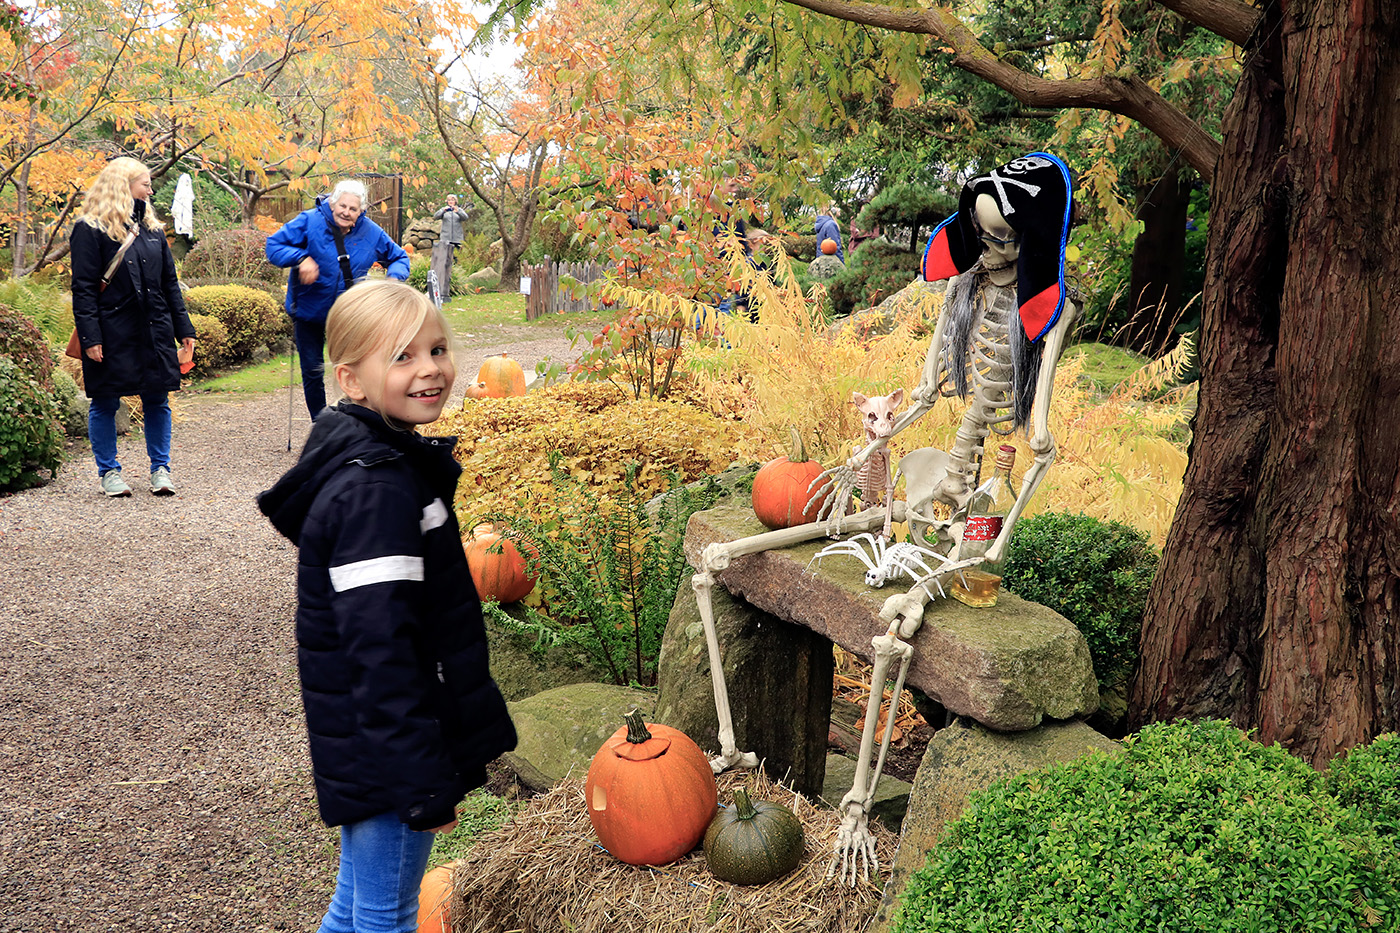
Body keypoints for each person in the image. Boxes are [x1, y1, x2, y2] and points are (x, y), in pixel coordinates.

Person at [257, 279, 517, 933]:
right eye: (402, 356)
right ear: (352, 380)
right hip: (392, 748)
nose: (429, 368)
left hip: (372, 741)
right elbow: (384, 655)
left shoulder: (382, 465)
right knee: (384, 914)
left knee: (355, 904)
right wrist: (422, 781)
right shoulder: (379, 491)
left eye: (436, 348)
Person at [70, 157, 197, 498]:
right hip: (111, 331)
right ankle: (109, 472)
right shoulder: (90, 228)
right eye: (145, 183)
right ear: (123, 185)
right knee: (105, 401)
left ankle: (161, 470)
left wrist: (185, 330)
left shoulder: (153, 230)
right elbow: (82, 288)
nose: (151, 189)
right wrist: (90, 337)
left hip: (154, 330)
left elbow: (170, 284)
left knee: (158, 399)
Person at [266, 178, 411, 418]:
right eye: (342, 206)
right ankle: (320, 423)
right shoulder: (309, 221)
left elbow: (399, 258)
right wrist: (301, 258)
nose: (346, 212)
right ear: (333, 204)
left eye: (353, 208)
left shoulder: (371, 233)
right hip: (308, 312)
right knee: (312, 371)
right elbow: (274, 246)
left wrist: (394, 279)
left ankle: (356, 421)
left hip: (348, 315)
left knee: (354, 370)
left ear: (361, 211)